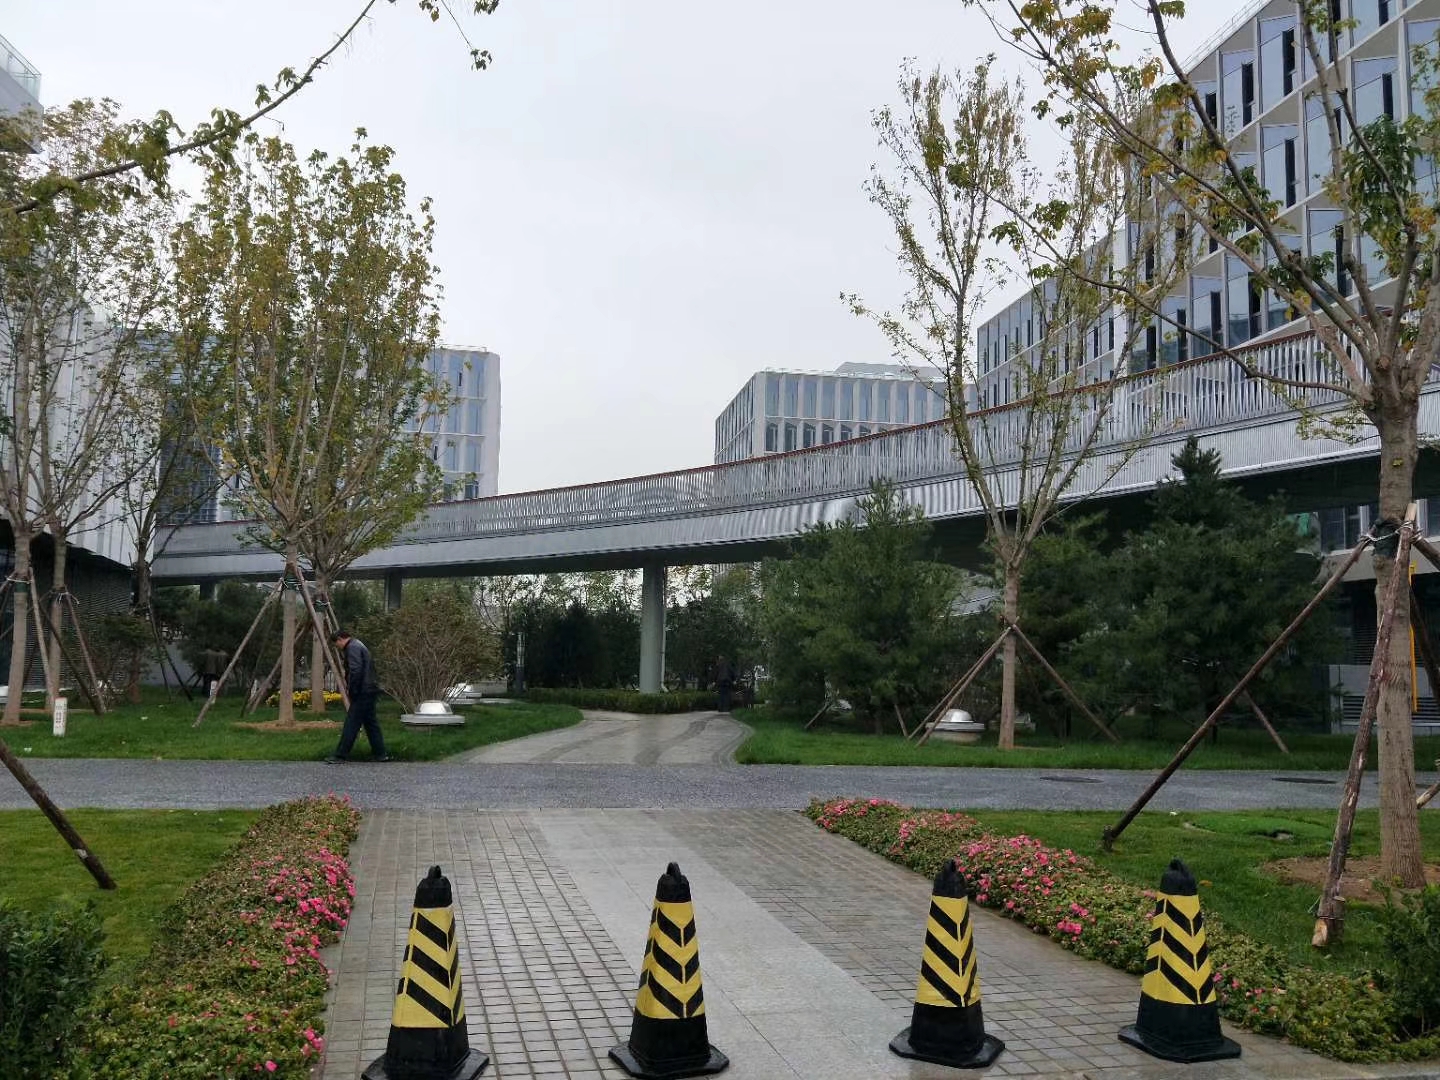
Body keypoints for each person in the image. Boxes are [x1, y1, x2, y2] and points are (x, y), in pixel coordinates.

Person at [326, 629, 389, 763]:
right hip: (370, 689)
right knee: (371, 723)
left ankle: (340, 755)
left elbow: (356, 670)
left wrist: (352, 690)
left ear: (340, 639)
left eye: (336, 644)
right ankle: (380, 754)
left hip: (362, 691)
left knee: (352, 723)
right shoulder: (358, 644)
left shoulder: (352, 648)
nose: (338, 647)